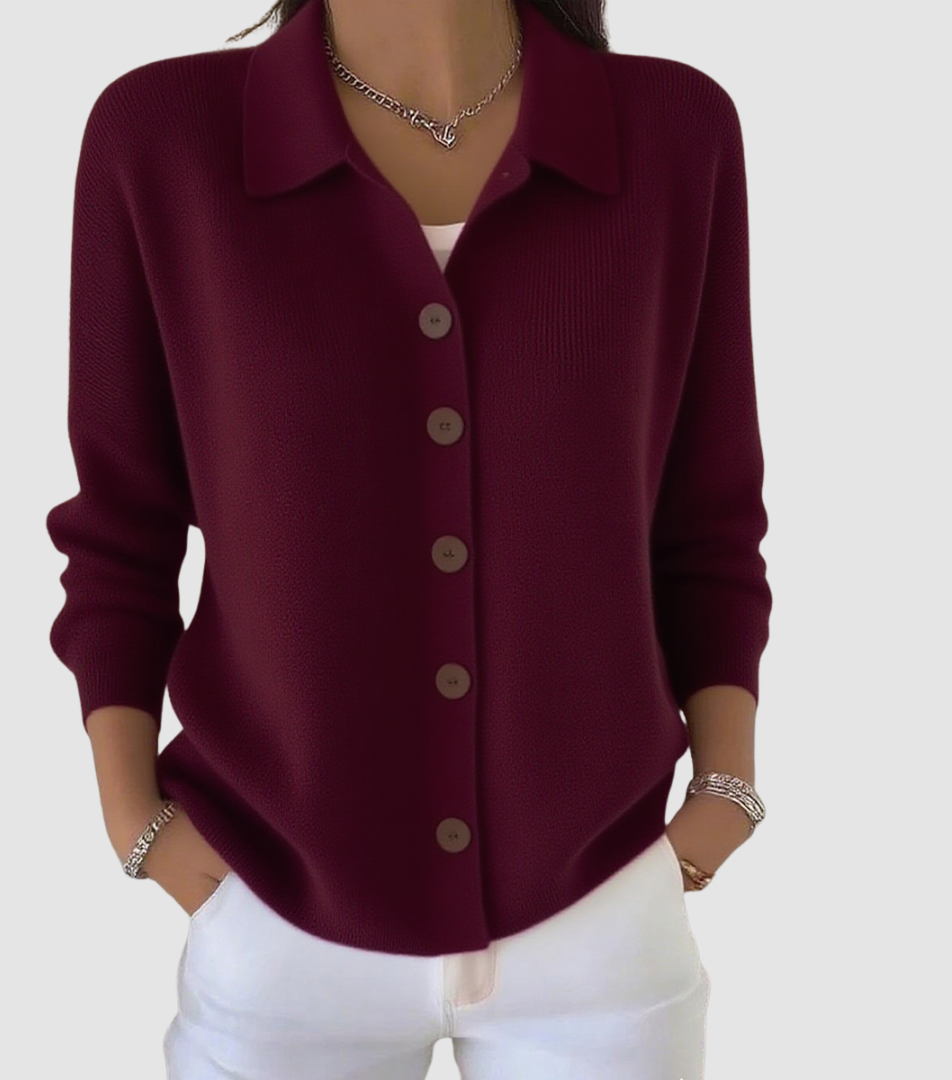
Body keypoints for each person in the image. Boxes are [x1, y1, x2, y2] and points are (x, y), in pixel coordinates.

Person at [46, 0, 772, 1076]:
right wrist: (134, 820)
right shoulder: (165, 138)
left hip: (600, 919)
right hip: (276, 918)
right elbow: (122, 524)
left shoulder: (673, 131)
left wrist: (724, 790)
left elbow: (706, 512)